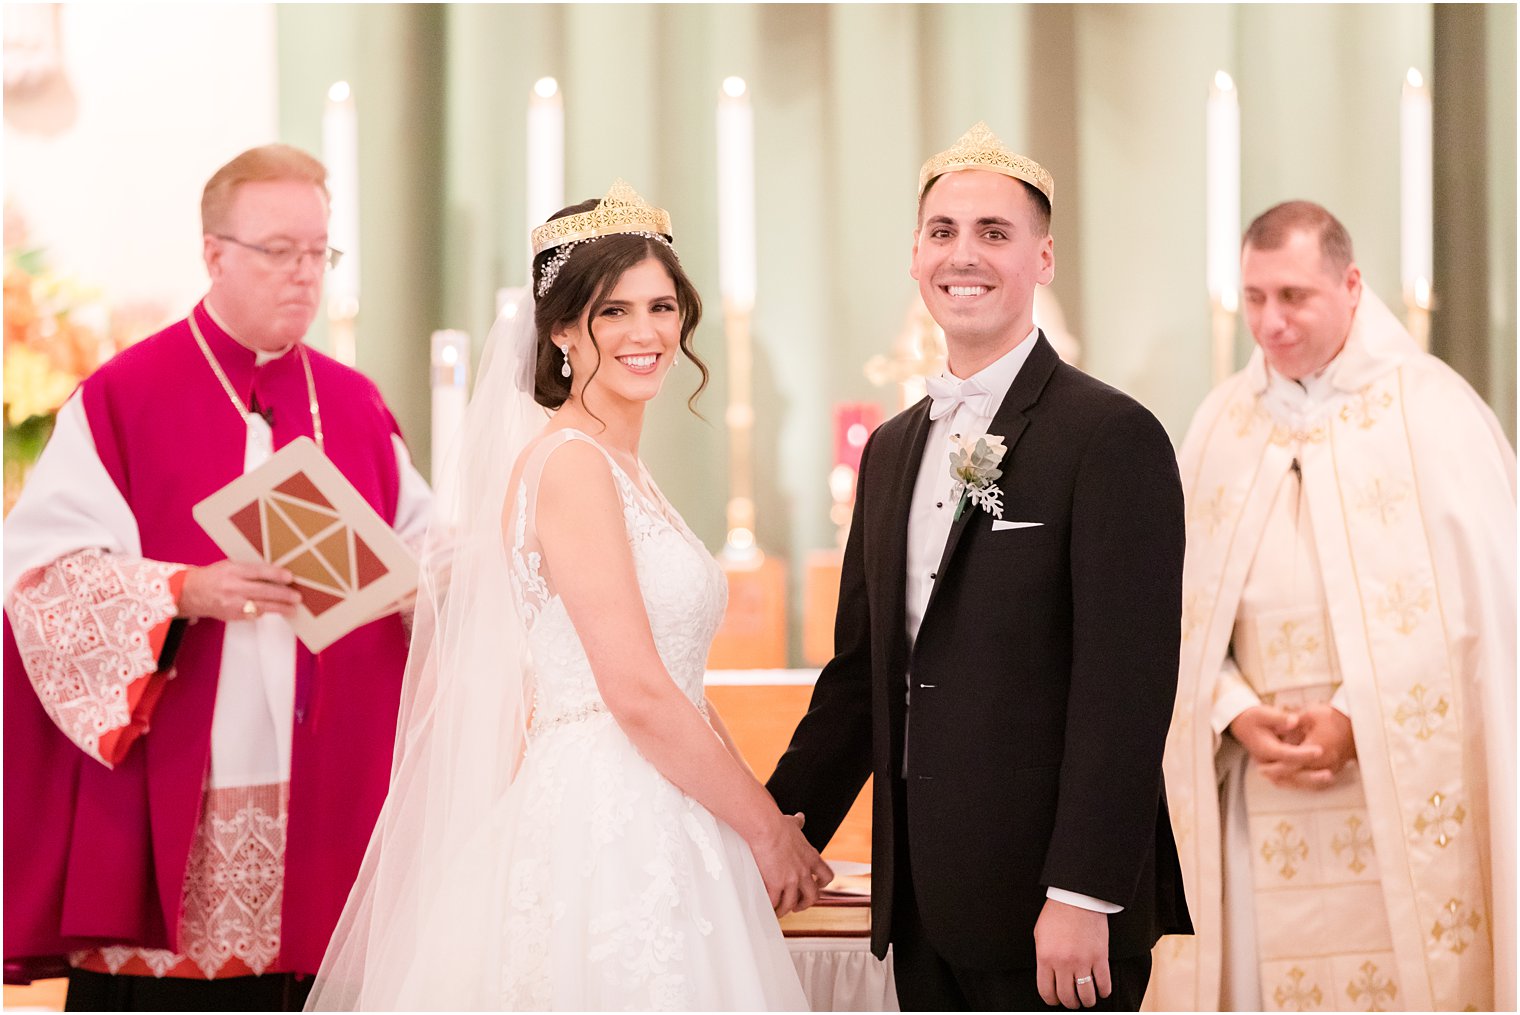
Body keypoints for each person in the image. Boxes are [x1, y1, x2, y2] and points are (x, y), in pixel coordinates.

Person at [306, 180, 830, 1011]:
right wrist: (767, 831)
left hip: (665, 796)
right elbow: (637, 691)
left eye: (661, 306)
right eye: (612, 311)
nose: (645, 332)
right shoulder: (573, 465)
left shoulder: (623, 468)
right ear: (559, 330)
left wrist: (751, 810)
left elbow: (677, 686)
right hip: (606, 818)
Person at [766, 121, 1192, 1011]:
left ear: (1042, 258)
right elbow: (861, 677)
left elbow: (1128, 684)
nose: (966, 254)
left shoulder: (1111, 437)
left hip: (1054, 912)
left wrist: (1082, 893)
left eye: (995, 232)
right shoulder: (888, 450)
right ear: (915, 256)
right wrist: (773, 829)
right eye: (943, 231)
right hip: (921, 903)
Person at [2, 143, 432, 1010]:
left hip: (331, 780)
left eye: (319, 252)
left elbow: (429, 546)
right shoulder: (125, 396)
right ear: (214, 254)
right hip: (183, 778)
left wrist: (430, 581)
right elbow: (36, 579)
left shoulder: (352, 402)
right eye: (280, 251)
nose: (304, 275)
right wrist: (183, 592)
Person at [1147, 201, 1515, 1012]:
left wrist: (1356, 717)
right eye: (1253, 298)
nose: (1269, 324)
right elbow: (1173, 615)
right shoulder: (1219, 426)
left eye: (1293, 296)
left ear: (1351, 286)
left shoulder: (1436, 413)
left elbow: (1485, 615)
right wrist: (1234, 708)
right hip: (1258, 779)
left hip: (1396, 792)